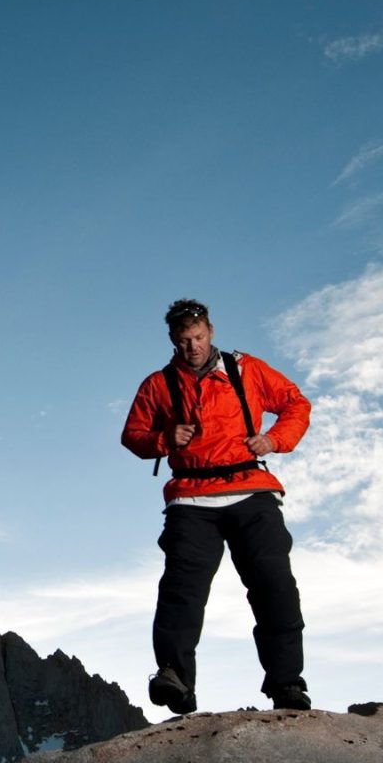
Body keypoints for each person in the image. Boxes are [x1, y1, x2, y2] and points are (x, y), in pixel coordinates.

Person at [119, 298, 313, 714]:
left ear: (211, 331)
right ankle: (176, 680)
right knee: (181, 592)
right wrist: (165, 439)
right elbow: (133, 435)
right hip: (191, 498)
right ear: (172, 340)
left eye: (199, 337)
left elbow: (296, 404)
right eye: (184, 340)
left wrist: (275, 440)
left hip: (252, 490)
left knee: (275, 587)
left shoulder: (248, 369)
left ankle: (287, 686)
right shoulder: (158, 384)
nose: (192, 346)